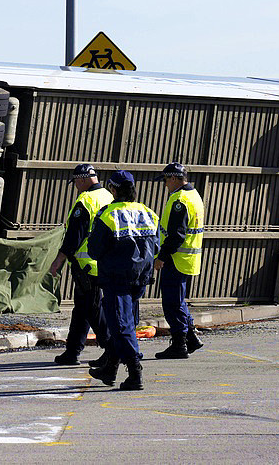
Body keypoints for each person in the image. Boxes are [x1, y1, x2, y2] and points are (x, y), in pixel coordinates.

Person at [86, 170, 160, 391]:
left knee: (121, 325)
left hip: (116, 278)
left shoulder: (108, 215)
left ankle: (135, 371)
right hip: (140, 278)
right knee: (126, 321)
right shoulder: (148, 213)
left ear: (113, 190)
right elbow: (156, 246)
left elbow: (94, 250)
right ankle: (110, 369)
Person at [49, 164, 114, 366]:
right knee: (82, 309)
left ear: (83, 179)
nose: (76, 186)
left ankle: (112, 349)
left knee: (93, 309)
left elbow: (74, 237)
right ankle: (72, 351)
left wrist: (58, 261)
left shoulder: (86, 200)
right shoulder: (108, 196)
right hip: (104, 263)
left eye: (76, 182)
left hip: (86, 265)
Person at [153, 162, 206, 359]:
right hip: (187, 259)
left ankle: (179, 344)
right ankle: (190, 337)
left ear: (174, 178)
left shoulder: (180, 200)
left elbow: (176, 235)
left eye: (166, 180)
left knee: (172, 303)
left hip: (176, 259)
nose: (165, 184)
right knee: (178, 301)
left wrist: (161, 257)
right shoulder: (194, 195)